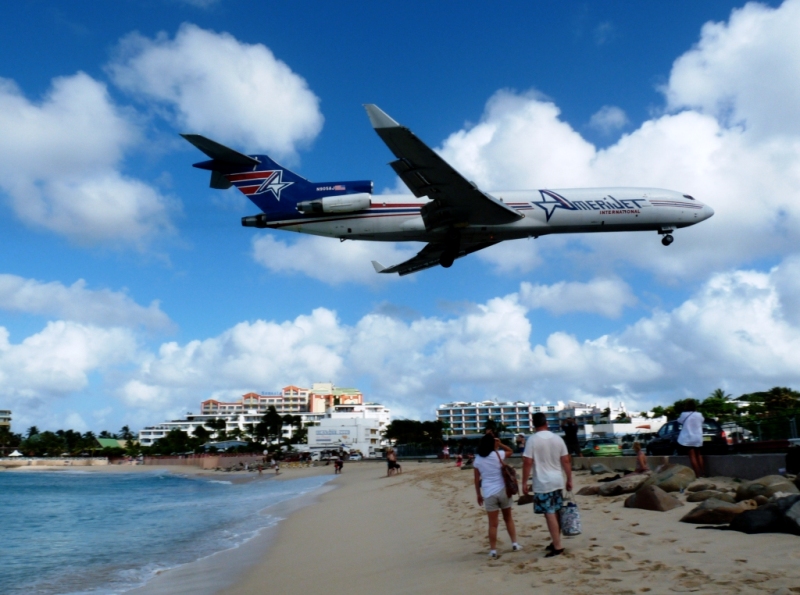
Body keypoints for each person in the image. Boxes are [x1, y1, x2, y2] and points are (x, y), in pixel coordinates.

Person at [522, 412, 573, 558]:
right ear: (546, 423)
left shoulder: (532, 440)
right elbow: (566, 461)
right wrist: (569, 478)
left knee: (549, 512)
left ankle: (558, 546)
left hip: (543, 481)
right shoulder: (557, 439)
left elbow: (527, 462)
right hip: (557, 480)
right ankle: (555, 540)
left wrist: (524, 481)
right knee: (555, 510)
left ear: (533, 424)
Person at [473, 433, 521, 559]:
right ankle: (514, 544)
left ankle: (493, 550)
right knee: (508, 518)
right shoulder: (498, 454)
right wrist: (499, 443)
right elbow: (510, 450)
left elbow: (477, 479)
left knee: (493, 524)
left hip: (489, 493)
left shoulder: (477, 459)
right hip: (503, 491)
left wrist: (478, 494)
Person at [678, 400, 705, 478]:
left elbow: (679, 421)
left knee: (692, 456)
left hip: (688, 438)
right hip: (698, 437)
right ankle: (703, 473)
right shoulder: (699, 415)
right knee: (699, 455)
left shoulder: (684, 414)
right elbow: (702, 421)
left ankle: (697, 475)